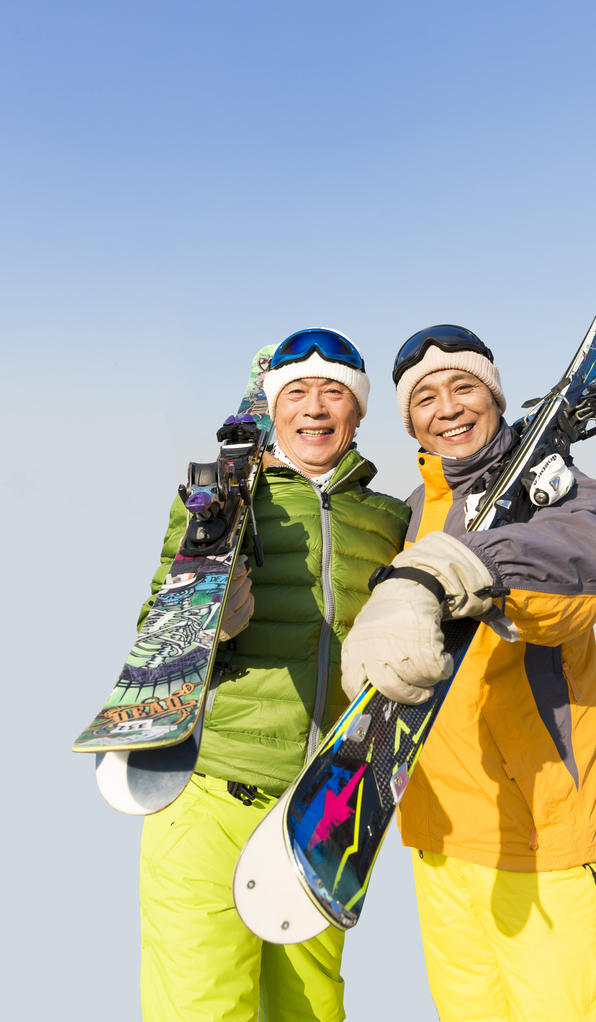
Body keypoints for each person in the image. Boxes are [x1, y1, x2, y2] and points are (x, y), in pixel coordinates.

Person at [342, 325, 596, 1022]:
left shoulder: (558, 495)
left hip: (535, 835)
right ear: (408, 419)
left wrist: (467, 569)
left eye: (464, 387)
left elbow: (583, 569)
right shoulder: (413, 512)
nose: (448, 408)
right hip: (437, 834)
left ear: (494, 398)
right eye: (426, 398)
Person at [138, 329, 410, 1022]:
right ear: (274, 407)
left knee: (309, 1009)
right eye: (297, 392)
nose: (315, 408)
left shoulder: (388, 520)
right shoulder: (220, 501)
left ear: (357, 412)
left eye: (333, 394)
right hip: (209, 795)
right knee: (199, 1007)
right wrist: (209, 620)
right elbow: (157, 623)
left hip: (322, 809)